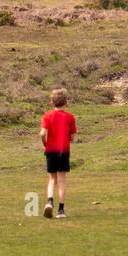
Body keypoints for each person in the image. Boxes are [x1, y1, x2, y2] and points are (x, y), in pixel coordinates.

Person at [39, 87, 76, 219]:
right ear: (66, 102)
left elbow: (43, 133)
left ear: (51, 102)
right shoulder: (70, 117)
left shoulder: (47, 115)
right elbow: (72, 137)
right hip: (63, 151)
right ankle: (61, 210)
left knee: (51, 179)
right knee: (62, 180)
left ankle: (49, 202)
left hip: (50, 151)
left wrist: (45, 143)